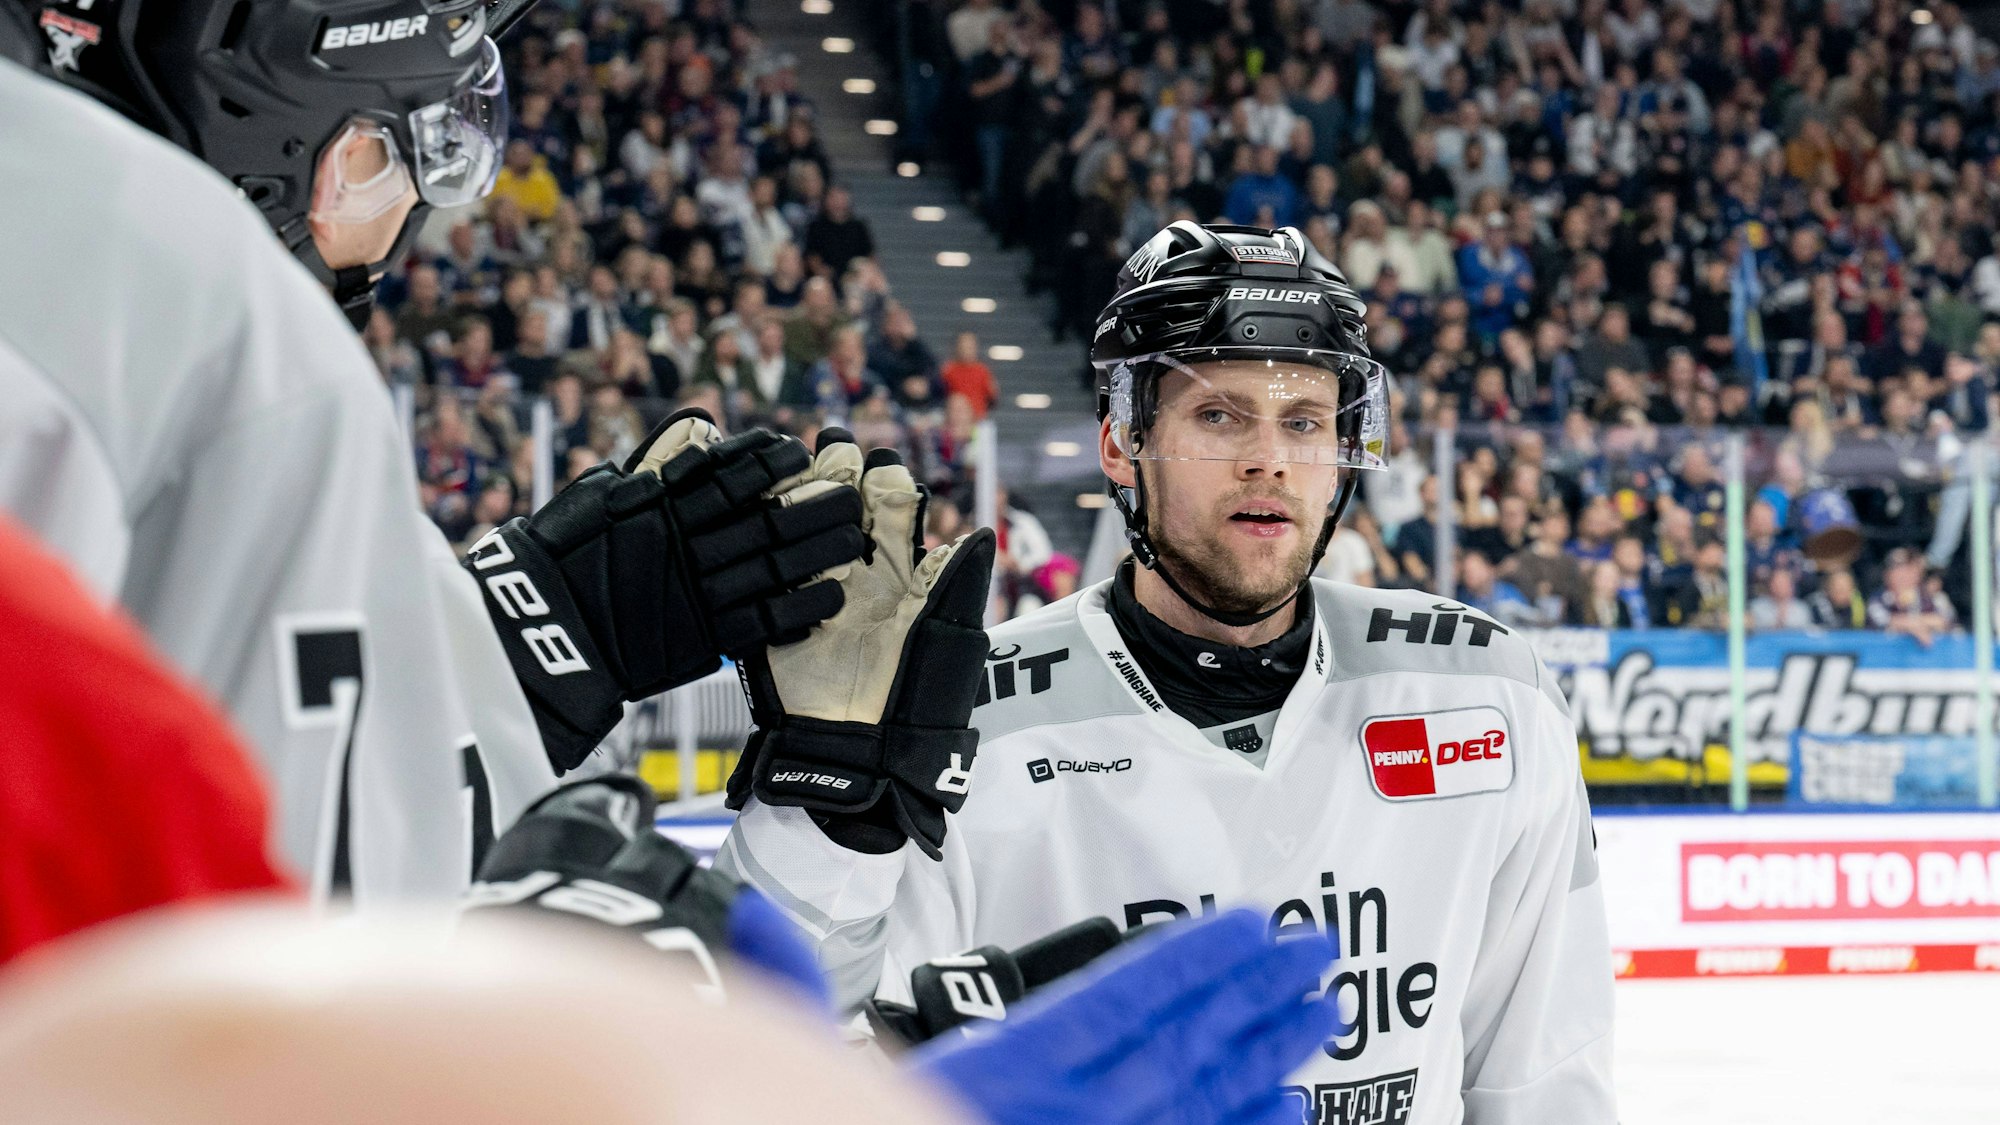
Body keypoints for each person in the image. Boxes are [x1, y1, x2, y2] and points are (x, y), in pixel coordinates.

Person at [722, 223, 1616, 1121]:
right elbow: (779, 1063)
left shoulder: (1488, 694)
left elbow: (1546, 1080)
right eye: (1219, 415)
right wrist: (817, 822)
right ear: (1122, 446)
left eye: (1305, 421)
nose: (1269, 458)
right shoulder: (959, 725)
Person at [0, 7, 862, 903]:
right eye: (401, 154)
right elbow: (286, 921)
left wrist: (535, 639)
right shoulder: (223, 345)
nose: (415, 205)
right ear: (301, 146)